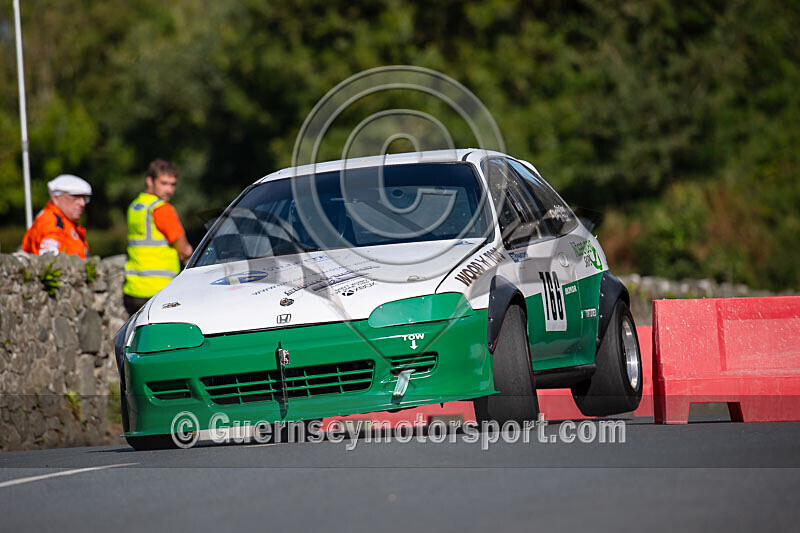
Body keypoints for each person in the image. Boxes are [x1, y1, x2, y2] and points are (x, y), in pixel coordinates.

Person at [123, 159, 193, 316]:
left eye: (172, 184)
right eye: (164, 183)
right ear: (150, 181)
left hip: (133, 289)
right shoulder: (162, 209)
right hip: (160, 290)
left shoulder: (135, 206)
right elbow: (184, 250)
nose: (169, 190)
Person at [22, 174, 92, 258]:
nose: (82, 203)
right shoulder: (52, 223)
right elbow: (51, 262)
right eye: (75, 197)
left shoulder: (66, 222)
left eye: (84, 198)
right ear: (56, 198)